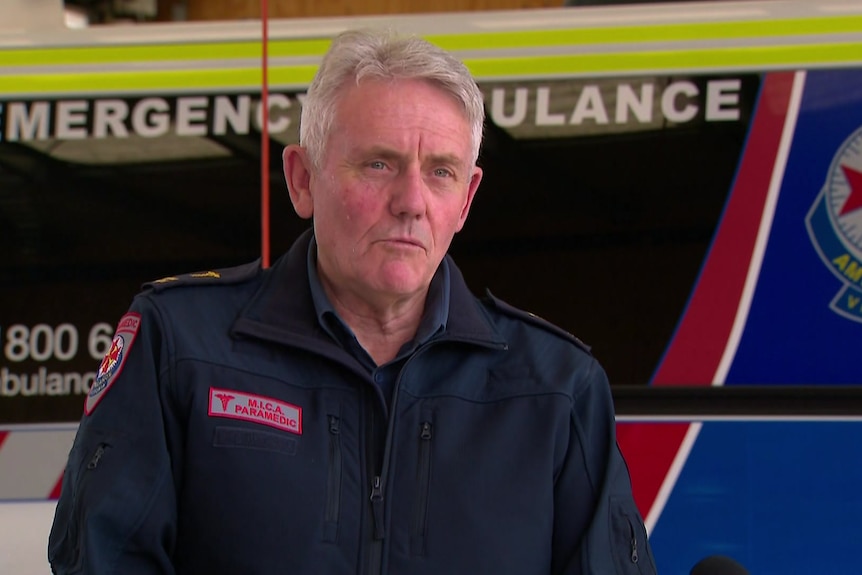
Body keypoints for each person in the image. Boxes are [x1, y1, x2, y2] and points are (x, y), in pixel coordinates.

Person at [48, 28, 657, 575]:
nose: (411, 201)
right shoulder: (178, 346)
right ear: (302, 179)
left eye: (440, 172)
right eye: (378, 163)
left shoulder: (557, 389)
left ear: (466, 200)